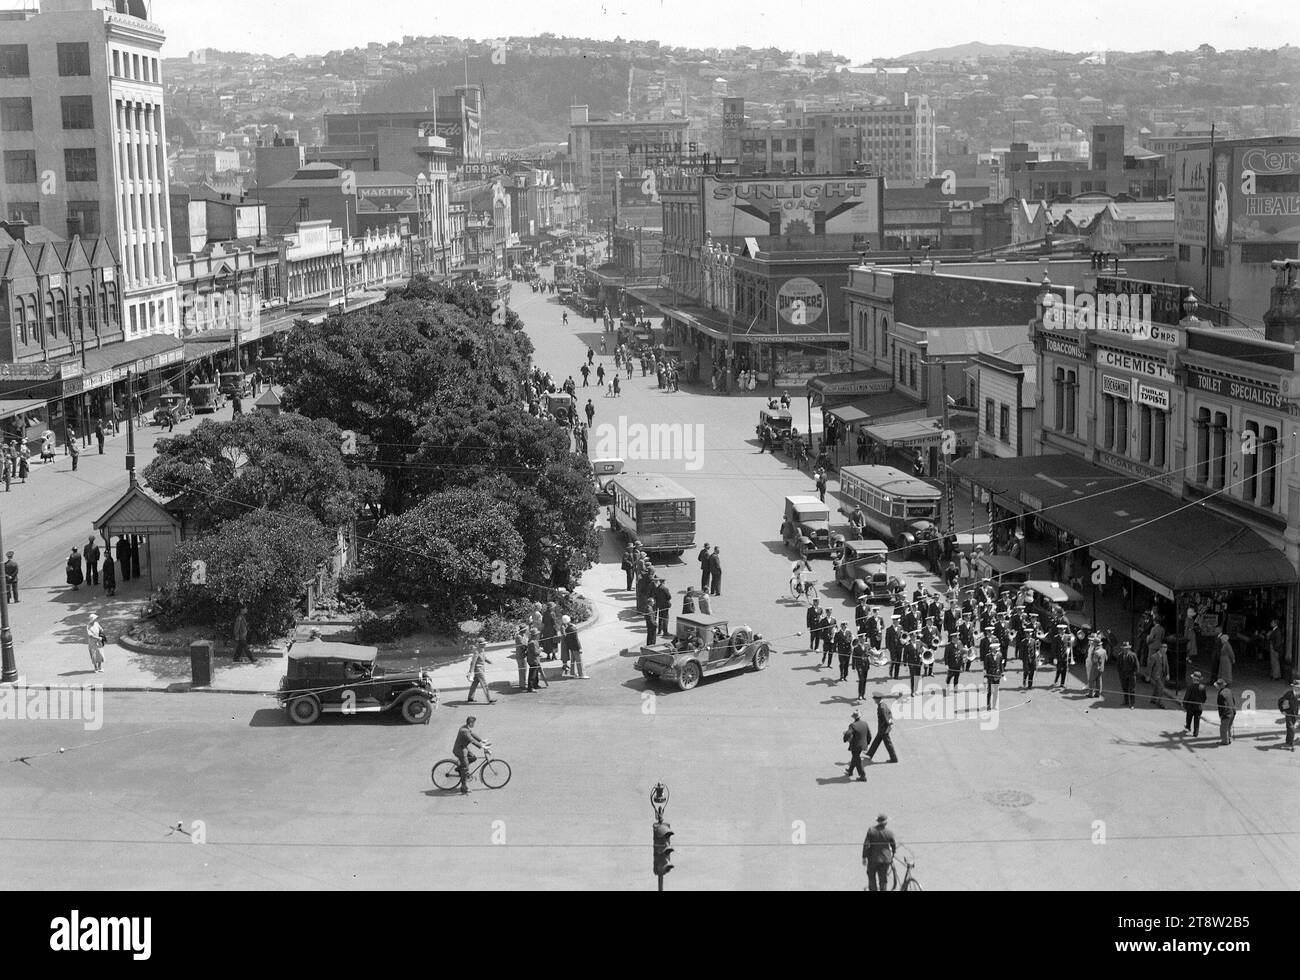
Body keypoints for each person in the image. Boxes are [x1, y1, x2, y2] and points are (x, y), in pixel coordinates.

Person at [452, 716, 488, 795]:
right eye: (474, 723)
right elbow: (472, 740)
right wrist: (482, 746)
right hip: (460, 750)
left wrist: (482, 740)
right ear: (471, 723)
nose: (474, 724)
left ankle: (459, 769)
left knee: (473, 758)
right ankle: (464, 788)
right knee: (466, 768)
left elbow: (473, 734)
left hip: (463, 748)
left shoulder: (466, 728)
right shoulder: (464, 731)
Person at [862, 814, 898, 892]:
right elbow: (893, 845)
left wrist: (864, 857)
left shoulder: (871, 831)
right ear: (885, 823)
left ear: (878, 822)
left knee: (871, 877)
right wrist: (892, 855)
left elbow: (866, 844)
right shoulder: (889, 833)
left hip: (873, 859)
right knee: (883, 880)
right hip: (885, 860)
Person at [866, 693, 898, 763]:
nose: (874, 700)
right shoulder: (883, 704)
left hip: (883, 729)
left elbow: (885, 718)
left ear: (878, 699)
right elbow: (889, 712)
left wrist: (889, 722)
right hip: (883, 728)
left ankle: (894, 758)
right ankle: (869, 754)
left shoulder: (881, 708)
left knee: (888, 745)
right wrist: (890, 720)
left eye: (875, 699)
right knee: (876, 741)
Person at [843, 710, 872, 781]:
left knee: (857, 759)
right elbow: (869, 735)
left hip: (855, 746)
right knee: (855, 757)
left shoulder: (853, 725)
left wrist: (845, 739)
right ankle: (850, 771)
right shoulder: (865, 723)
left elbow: (848, 734)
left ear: (854, 717)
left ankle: (862, 775)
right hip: (863, 745)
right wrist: (867, 743)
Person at [1148, 642, 1174, 708]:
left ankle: (1153, 699)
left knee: (1157, 687)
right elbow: (1150, 667)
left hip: (1163, 675)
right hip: (1156, 675)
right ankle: (1160, 703)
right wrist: (1148, 676)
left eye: (1166, 647)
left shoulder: (1165, 655)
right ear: (1160, 648)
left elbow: (1167, 665)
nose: (1165, 649)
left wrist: (1168, 674)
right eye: (1164, 647)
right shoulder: (1154, 656)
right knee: (1161, 688)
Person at [1182, 672, 1207, 736]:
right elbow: (1204, 697)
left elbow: (1187, 696)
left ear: (1193, 679)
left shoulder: (1190, 686)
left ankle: (1188, 727)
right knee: (1197, 719)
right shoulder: (1203, 687)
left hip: (1190, 706)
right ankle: (1196, 732)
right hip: (1198, 706)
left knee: (1189, 717)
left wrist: (1184, 705)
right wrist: (1202, 702)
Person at [1278, 679, 1300, 751]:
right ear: (1293, 687)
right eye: (1296, 687)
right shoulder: (1288, 694)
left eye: (1299, 687)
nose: (1297, 688)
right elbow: (1280, 701)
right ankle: (1291, 744)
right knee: (1291, 728)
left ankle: (1288, 741)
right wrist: (1282, 711)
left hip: (1295, 714)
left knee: (1290, 728)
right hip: (1288, 713)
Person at [1215, 678, 1238, 746]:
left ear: (1220, 686)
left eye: (1217, 685)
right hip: (1232, 712)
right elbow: (1233, 701)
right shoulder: (1229, 690)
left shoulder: (1221, 694)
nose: (1216, 687)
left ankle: (1225, 741)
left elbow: (1222, 706)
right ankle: (1229, 739)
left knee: (1223, 728)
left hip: (1226, 714)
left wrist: (1221, 715)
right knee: (1228, 727)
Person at [1116, 641, 1139, 707]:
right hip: (1123, 675)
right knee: (1124, 688)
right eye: (1124, 648)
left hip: (1131, 675)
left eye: (1127, 648)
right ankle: (1126, 701)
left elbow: (1136, 666)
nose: (1125, 649)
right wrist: (1120, 673)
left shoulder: (1133, 655)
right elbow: (1118, 666)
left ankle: (1132, 704)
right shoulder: (1120, 655)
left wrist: (1134, 674)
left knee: (1132, 690)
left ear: (1129, 649)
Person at [983, 639, 1004, 710]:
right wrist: (985, 677)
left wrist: (1002, 674)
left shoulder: (1000, 655)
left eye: (996, 649)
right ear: (992, 649)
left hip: (997, 676)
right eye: (995, 649)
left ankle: (994, 705)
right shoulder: (987, 656)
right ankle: (988, 705)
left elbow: (1001, 665)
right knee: (990, 691)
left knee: (995, 691)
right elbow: (985, 667)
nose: (996, 650)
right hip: (990, 676)